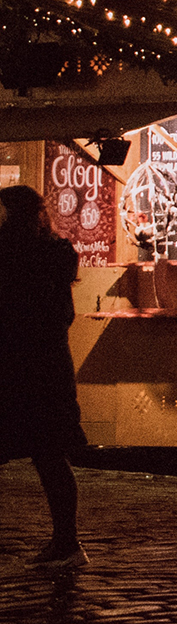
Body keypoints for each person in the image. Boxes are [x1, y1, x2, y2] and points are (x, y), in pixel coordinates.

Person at [0, 184, 88, 569]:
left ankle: (67, 543)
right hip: (46, 367)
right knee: (50, 455)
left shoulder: (16, 255)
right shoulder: (53, 252)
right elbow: (61, 315)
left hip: (24, 367)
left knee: (49, 454)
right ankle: (66, 541)